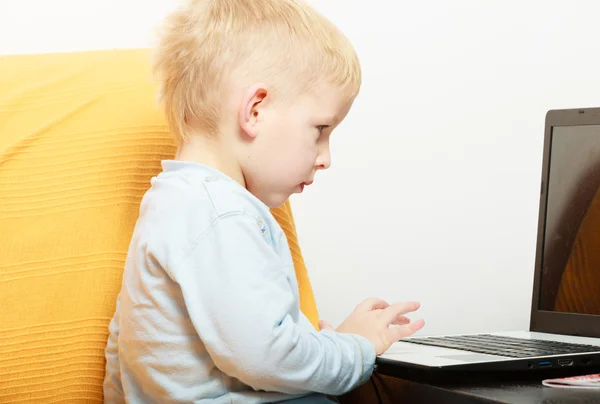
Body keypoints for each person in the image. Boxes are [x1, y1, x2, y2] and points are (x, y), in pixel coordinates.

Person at [103, 0, 424, 402]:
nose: (325, 157)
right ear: (255, 110)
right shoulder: (222, 214)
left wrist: (325, 342)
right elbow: (267, 357)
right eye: (321, 129)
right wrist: (357, 348)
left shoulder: (172, 202)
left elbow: (124, 350)